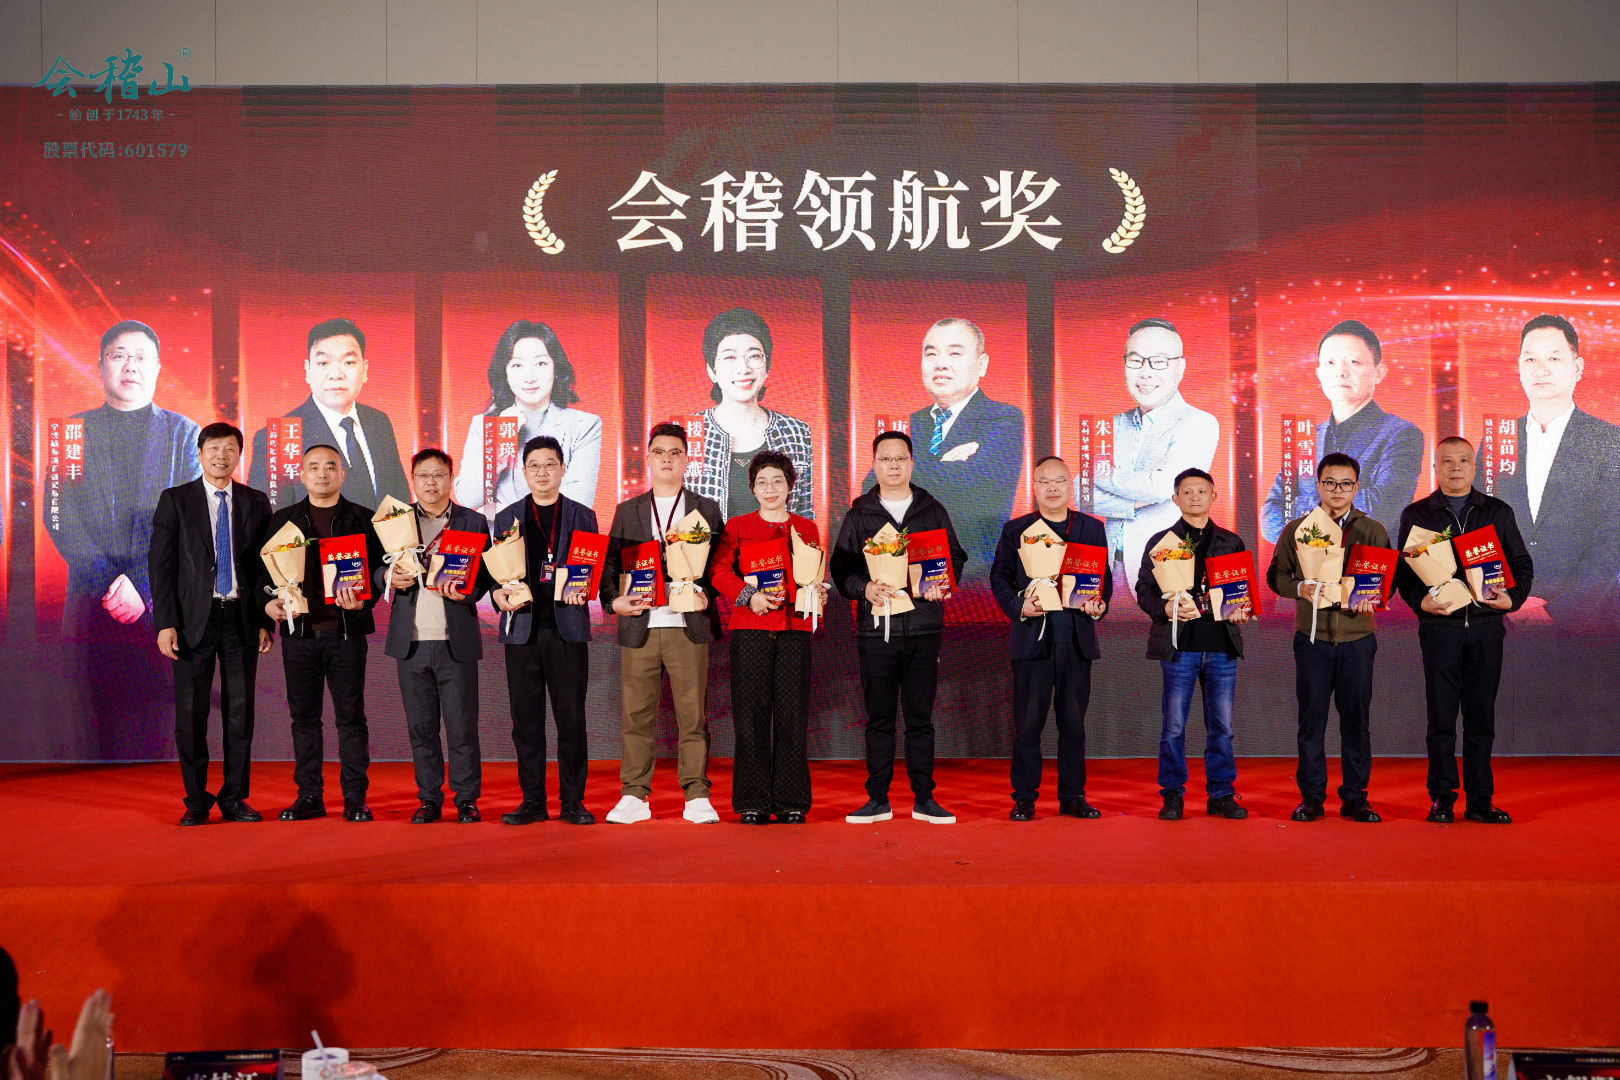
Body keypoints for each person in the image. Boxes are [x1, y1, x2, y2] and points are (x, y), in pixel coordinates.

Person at [45, 319, 201, 755]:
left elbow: (192, 520)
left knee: (160, 732)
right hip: (91, 604)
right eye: (118, 356)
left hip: (162, 605)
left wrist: (141, 584)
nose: (130, 366)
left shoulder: (185, 434)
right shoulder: (70, 433)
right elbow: (60, 517)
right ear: (100, 366)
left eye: (141, 357)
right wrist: (110, 584)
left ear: (157, 368)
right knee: (94, 732)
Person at [1395, 436, 1533, 824]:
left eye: (1463, 460)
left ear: (1474, 466)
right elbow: (1404, 574)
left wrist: (1512, 599)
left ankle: (1480, 800)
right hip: (1440, 630)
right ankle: (1441, 798)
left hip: (1487, 628)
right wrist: (1420, 602)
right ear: (1435, 467)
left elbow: (1522, 564)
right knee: (1440, 718)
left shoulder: (1497, 512)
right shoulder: (1417, 514)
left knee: (1480, 717)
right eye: (1447, 460)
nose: (1455, 467)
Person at [832, 430, 967, 825]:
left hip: (924, 629)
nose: (893, 466)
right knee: (879, 719)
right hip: (877, 631)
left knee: (920, 720)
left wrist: (944, 584)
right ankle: (877, 800)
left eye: (900, 459)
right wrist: (864, 588)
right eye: (885, 459)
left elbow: (955, 557)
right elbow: (841, 568)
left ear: (912, 463)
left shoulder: (932, 510)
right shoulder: (860, 514)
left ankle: (925, 799)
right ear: (874, 465)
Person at [148, 422, 275, 826]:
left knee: (240, 714)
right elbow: (161, 568)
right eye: (214, 448)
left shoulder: (256, 501)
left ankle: (234, 797)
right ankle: (196, 800)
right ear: (200, 453)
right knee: (190, 715)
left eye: (230, 448)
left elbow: (265, 567)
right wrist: (165, 622)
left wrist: (263, 620)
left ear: (239, 455)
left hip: (241, 619)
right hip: (191, 622)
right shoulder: (176, 500)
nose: (222, 455)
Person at [597, 423, 725, 824]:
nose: (667, 459)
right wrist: (613, 602)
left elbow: (720, 564)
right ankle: (634, 794)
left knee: (693, 715)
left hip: (688, 625)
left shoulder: (706, 509)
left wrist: (708, 594)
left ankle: (696, 794)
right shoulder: (628, 510)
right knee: (636, 716)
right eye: (659, 452)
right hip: (641, 624)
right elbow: (609, 565)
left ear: (687, 459)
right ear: (648, 459)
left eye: (675, 452)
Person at [256, 444, 386, 823]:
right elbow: (262, 575)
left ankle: (355, 797)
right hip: (299, 637)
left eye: (331, 466)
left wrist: (364, 601)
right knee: (304, 719)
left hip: (346, 635)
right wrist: (267, 606)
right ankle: (309, 795)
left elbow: (380, 574)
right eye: (314, 467)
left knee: (351, 718)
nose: (322, 473)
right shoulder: (284, 521)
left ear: (342, 474)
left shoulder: (363, 519)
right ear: (302, 474)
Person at [1265, 452, 1389, 824]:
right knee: (1312, 721)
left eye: (1346, 484)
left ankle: (1356, 799)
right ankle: (1311, 799)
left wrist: (1374, 598)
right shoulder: (1299, 529)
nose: (1338, 490)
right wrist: (1299, 588)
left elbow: (1387, 582)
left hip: (1357, 639)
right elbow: (1276, 576)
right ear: (1318, 485)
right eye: (1330, 483)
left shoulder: (1372, 530)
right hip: (1312, 640)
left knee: (1356, 723)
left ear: (1356, 487)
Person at [989, 456, 1111, 821]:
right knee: (1028, 724)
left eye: (1059, 480)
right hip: (1032, 639)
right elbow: (999, 578)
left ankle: (1073, 797)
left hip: (1075, 639)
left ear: (1071, 485)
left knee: (1073, 724)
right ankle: (1024, 798)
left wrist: (1099, 604)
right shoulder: (1017, 529)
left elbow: (1102, 578)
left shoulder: (1090, 528)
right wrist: (1020, 607)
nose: (1052, 487)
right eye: (1045, 481)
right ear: (1035, 486)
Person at [491, 435, 600, 826]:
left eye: (550, 464)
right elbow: (495, 576)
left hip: (567, 631)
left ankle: (573, 801)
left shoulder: (583, 516)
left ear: (562, 469)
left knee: (571, 720)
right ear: (524, 472)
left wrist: (587, 588)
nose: (542, 472)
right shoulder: (506, 518)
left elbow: (591, 569)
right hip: (522, 630)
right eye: (534, 466)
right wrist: (497, 596)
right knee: (526, 723)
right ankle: (533, 801)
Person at [381, 449, 492, 824]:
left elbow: (486, 576)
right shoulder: (395, 522)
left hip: (454, 640)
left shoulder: (472, 522)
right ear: (413, 479)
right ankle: (429, 798)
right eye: (423, 475)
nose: (431, 482)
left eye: (439, 475)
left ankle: (467, 798)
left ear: (451, 478)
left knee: (462, 727)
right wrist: (388, 577)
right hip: (410, 641)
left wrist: (467, 593)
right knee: (420, 728)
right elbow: (376, 568)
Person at [709, 450, 819, 823]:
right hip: (750, 631)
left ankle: (791, 801)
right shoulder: (738, 526)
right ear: (753, 488)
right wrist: (747, 595)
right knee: (750, 718)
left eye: (777, 481)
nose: (770, 489)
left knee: (792, 718)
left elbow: (812, 576)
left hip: (793, 631)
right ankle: (752, 801)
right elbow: (718, 570)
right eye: (762, 482)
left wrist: (818, 592)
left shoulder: (807, 528)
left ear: (790, 486)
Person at [1135, 468, 1251, 821]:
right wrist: (1165, 608)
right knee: (1173, 727)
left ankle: (1221, 794)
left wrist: (1242, 609)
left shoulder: (1231, 541)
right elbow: (1144, 589)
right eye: (1187, 491)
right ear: (1176, 499)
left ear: (1214, 496)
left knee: (1223, 728)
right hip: (1179, 646)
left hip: (1221, 647)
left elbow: (1243, 591)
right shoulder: (1162, 542)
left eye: (1202, 490)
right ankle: (1172, 795)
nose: (1195, 496)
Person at [1495, 313, 1620, 628]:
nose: (1541, 369)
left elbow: (1612, 537)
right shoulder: (1499, 440)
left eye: (1553, 358)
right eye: (1531, 359)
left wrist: (1560, 611)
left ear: (1577, 367)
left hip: (1583, 623)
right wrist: (1502, 600)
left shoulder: (1608, 441)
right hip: (1503, 617)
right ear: (1519, 367)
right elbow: (1480, 527)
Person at [1261, 319, 1424, 543]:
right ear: (1319, 373)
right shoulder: (1306, 439)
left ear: (1379, 372)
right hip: (1306, 566)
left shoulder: (1401, 434)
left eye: (1354, 362)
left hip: (1367, 563)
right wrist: (1341, 505)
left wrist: (1301, 505)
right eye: (1330, 362)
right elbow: (1270, 518)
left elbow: (1379, 510)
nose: (1340, 372)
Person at [1089, 318, 1220, 590]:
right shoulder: (1111, 425)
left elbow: (1162, 487)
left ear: (1180, 367)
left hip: (1166, 569)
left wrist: (1102, 476)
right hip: (1108, 567)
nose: (1145, 373)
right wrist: (1136, 499)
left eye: (1158, 362)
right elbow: (1082, 495)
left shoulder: (1199, 423)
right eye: (1135, 361)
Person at [894, 318, 1024, 570]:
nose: (940, 364)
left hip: (971, 573)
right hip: (907, 569)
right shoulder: (912, 422)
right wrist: (945, 465)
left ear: (981, 364)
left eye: (954, 353)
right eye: (931, 354)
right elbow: (871, 485)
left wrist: (902, 475)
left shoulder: (1002, 418)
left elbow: (973, 481)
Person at [250, 317, 409, 510]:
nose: (336, 374)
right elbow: (272, 519)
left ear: (364, 370)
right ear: (308, 370)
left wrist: (397, 531)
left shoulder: (379, 423)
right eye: (323, 363)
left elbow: (398, 499)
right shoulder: (280, 437)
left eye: (349, 362)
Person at [454, 319, 603, 517]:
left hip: (551, 538)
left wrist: (501, 513)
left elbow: (576, 505)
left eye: (541, 363)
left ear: (555, 368)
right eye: (517, 365)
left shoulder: (584, 426)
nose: (530, 377)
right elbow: (468, 498)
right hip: (497, 538)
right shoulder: (484, 425)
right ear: (505, 373)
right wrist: (500, 444)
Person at [684, 307, 814, 520]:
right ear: (711, 370)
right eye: (730, 357)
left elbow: (804, 514)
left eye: (754, 356)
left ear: (767, 366)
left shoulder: (796, 432)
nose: (743, 368)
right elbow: (673, 513)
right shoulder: (688, 433)